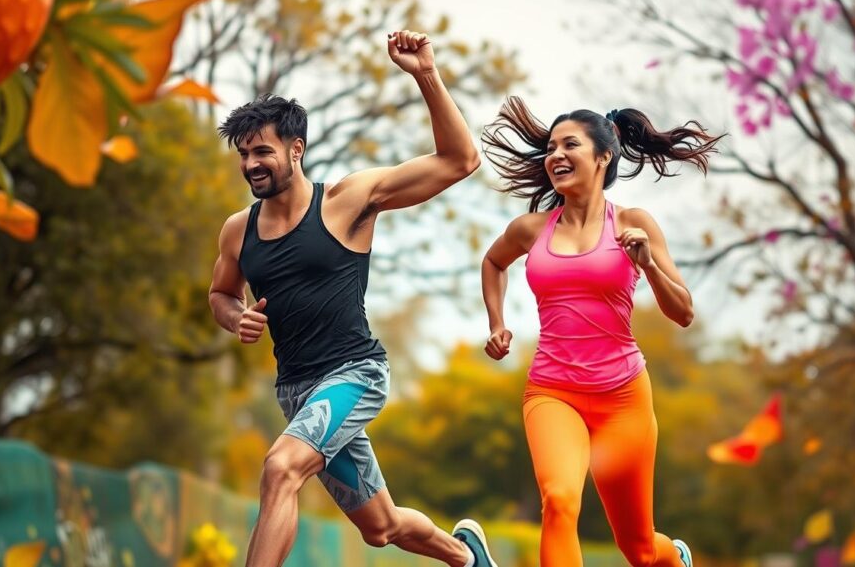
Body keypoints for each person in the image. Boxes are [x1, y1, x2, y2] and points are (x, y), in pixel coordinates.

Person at [208, 30, 496, 567]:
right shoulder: (237, 231)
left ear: (296, 149)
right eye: (244, 154)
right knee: (381, 528)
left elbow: (460, 160)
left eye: (263, 151)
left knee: (280, 468)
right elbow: (221, 293)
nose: (251, 164)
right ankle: (466, 557)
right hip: (297, 392)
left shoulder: (347, 202)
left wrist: (425, 74)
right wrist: (236, 317)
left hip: (354, 374)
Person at [479, 96, 724, 567]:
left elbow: (685, 312)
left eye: (570, 144)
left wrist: (647, 265)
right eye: (550, 147)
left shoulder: (634, 224)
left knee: (638, 549)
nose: (555, 155)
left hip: (623, 399)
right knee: (560, 501)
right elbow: (493, 263)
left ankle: (674, 556)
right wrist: (497, 323)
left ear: (603, 156)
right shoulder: (531, 229)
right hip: (553, 392)